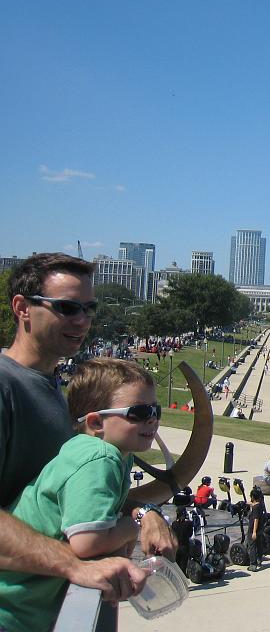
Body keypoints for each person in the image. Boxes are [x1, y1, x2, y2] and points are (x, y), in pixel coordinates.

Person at [0, 253, 170, 616]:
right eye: (66, 307)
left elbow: (71, 493)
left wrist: (143, 513)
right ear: (22, 308)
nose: (82, 321)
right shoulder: (4, 386)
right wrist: (75, 565)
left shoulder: (50, 389)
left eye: (88, 309)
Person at [0, 358, 163, 632]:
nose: (152, 419)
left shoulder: (117, 455)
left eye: (155, 410)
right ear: (96, 421)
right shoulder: (99, 458)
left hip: (26, 606)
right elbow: (87, 542)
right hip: (13, 612)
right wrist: (130, 527)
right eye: (139, 411)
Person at [247, 487, 266, 571]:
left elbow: (256, 519)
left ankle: (253, 564)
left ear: (253, 497)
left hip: (253, 529)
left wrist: (254, 532)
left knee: (252, 546)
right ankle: (259, 559)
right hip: (261, 529)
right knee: (259, 544)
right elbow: (254, 504)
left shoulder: (255, 508)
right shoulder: (260, 504)